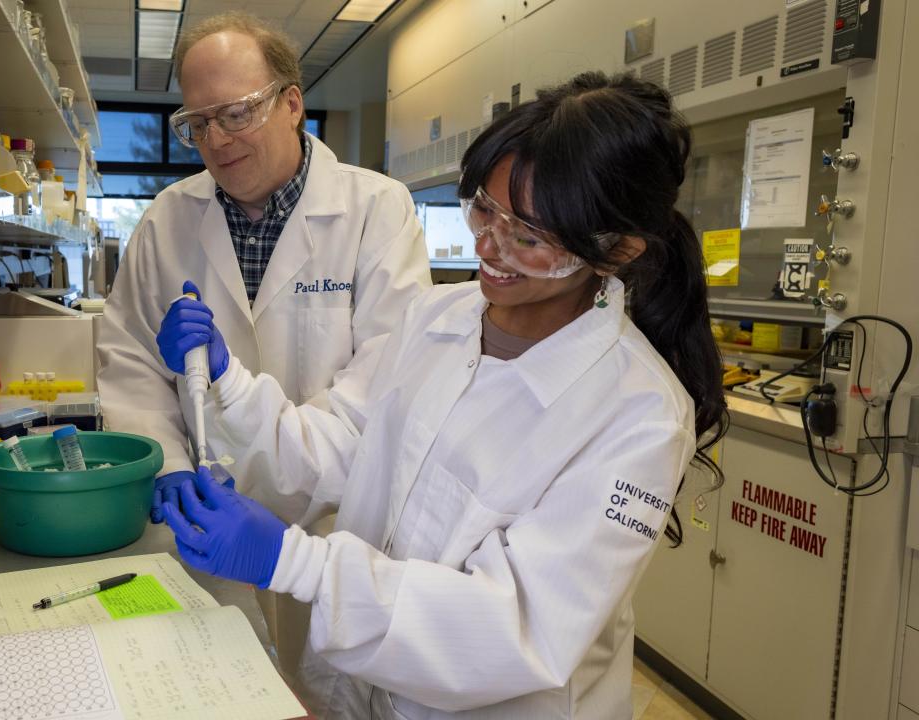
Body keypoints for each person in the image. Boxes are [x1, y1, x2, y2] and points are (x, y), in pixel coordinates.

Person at [154, 72, 728, 719]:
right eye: (485, 209)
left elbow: (516, 627)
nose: (489, 247)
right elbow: (349, 443)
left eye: (529, 238)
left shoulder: (641, 415)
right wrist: (232, 385)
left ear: (616, 249)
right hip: (357, 696)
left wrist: (295, 563)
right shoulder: (436, 317)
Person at [95, 11, 431, 686]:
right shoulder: (166, 220)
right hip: (204, 524)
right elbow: (128, 357)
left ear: (292, 104)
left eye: (237, 113)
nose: (216, 140)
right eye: (198, 122)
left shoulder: (376, 211)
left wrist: (271, 443)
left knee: (329, 690)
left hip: (334, 525)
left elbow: (382, 392)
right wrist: (165, 466)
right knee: (216, 685)